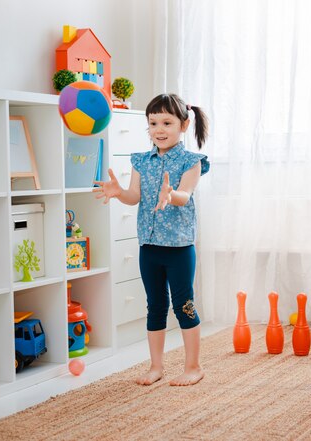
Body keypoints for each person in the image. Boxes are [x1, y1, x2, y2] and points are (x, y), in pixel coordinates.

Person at [94, 93, 210, 386]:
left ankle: (193, 367)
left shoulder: (191, 161)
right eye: (153, 122)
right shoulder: (140, 161)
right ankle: (156, 367)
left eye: (167, 122)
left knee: (184, 305)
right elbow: (135, 197)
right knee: (155, 305)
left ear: (183, 125)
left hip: (179, 248)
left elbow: (185, 195)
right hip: (149, 246)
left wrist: (171, 195)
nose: (159, 129)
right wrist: (118, 192)